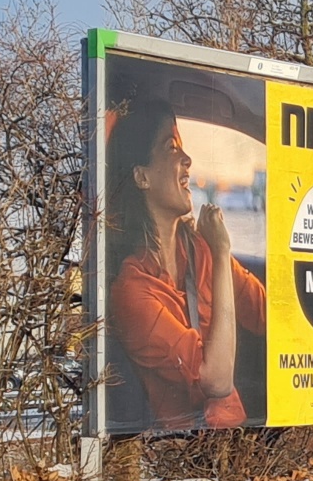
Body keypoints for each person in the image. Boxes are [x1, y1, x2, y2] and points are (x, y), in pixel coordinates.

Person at [106, 98, 266, 428]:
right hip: (185, 448)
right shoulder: (133, 292)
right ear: (142, 177)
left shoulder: (199, 251)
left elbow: (268, 317)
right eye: (172, 148)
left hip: (236, 438)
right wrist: (222, 251)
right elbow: (216, 381)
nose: (187, 159)